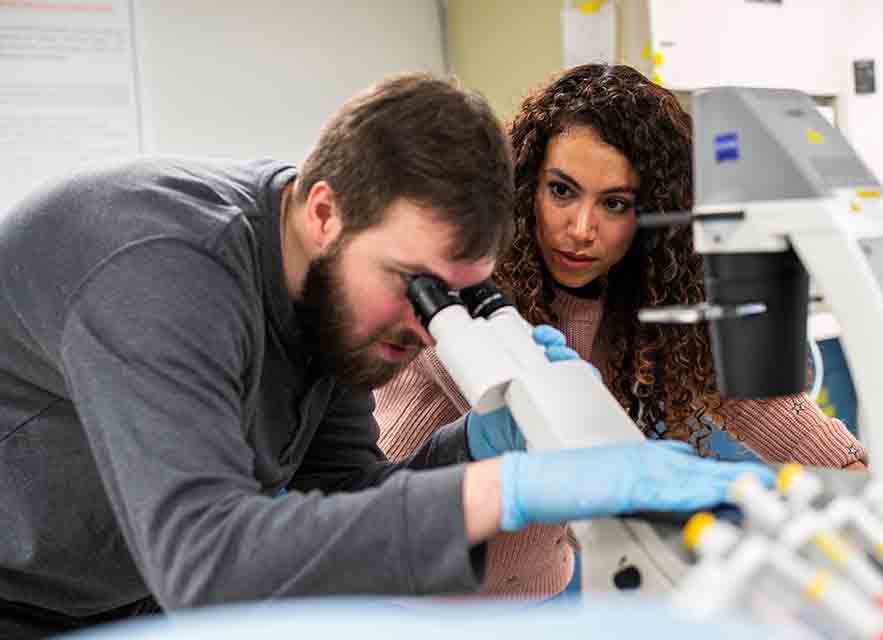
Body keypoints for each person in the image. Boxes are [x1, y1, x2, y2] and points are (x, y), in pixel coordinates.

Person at [0, 73, 772, 638]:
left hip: (123, 594)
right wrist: (505, 489)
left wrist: (475, 448)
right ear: (327, 210)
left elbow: (349, 495)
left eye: (460, 297)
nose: (430, 326)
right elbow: (205, 558)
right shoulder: (158, 267)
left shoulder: (328, 286)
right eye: (417, 285)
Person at [375, 64, 868, 599]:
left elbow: (765, 405)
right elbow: (553, 428)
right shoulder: (466, 286)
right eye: (562, 191)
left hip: (534, 599)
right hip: (405, 586)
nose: (582, 230)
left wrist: (866, 483)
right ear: (524, 186)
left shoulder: (645, 298)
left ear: (651, 215)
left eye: (614, 204)